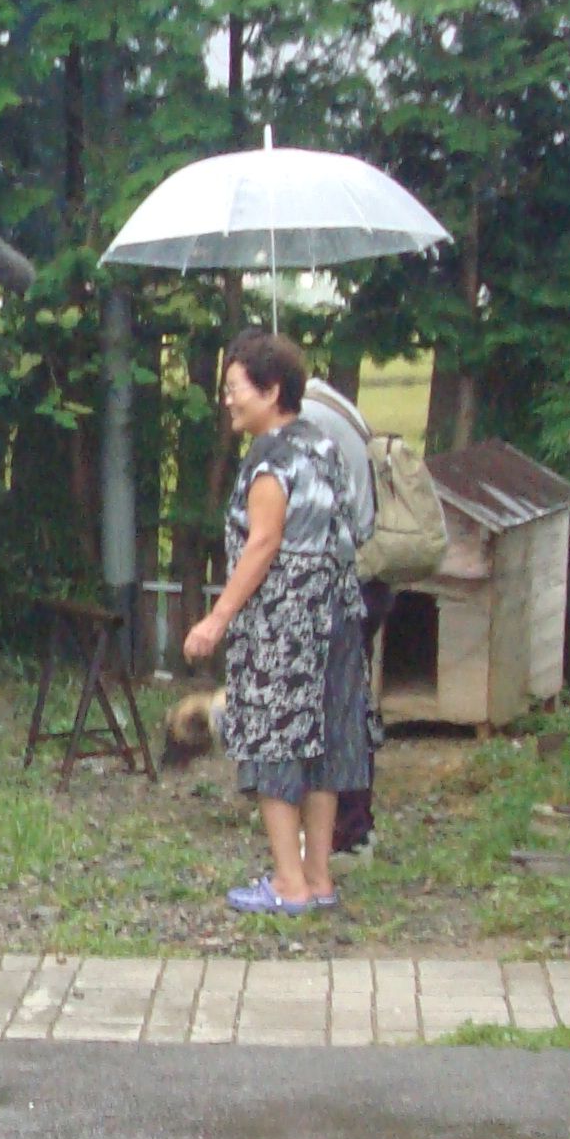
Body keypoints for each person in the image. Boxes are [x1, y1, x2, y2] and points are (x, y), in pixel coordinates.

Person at [184, 332, 370, 916]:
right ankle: (317, 878)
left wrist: (217, 619)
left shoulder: (270, 457)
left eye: (236, 389)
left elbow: (263, 542)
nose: (228, 401)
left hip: (285, 623)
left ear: (271, 391)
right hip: (338, 614)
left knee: (274, 744)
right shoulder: (323, 444)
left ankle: (287, 884)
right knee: (324, 746)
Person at [294, 370, 388, 864]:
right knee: (345, 707)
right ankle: (350, 828)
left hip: (341, 584)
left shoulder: (306, 421)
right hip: (366, 579)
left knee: (335, 712)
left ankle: (346, 832)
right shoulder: (335, 405)